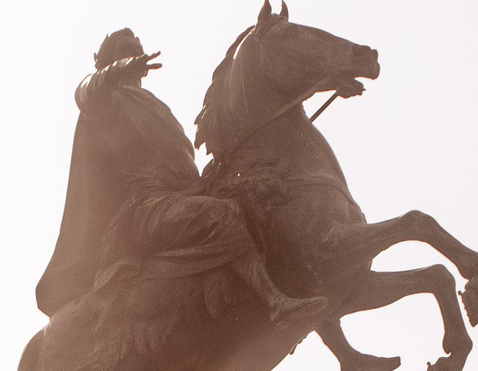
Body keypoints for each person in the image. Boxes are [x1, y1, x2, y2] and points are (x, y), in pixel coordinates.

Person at [36, 29, 328, 328]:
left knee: (260, 202)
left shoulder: (154, 104)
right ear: (109, 62)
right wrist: (119, 69)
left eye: (136, 49)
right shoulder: (106, 103)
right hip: (146, 208)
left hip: (182, 195)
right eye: (125, 50)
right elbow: (85, 90)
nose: (135, 54)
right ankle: (274, 302)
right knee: (222, 215)